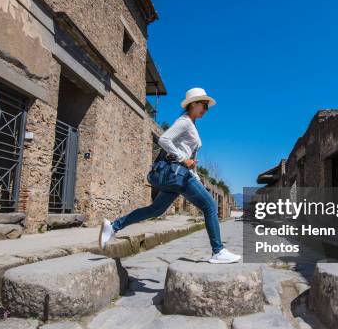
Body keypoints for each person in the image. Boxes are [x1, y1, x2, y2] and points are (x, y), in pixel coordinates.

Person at [98, 87, 241, 264]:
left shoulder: (192, 123)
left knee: (155, 210)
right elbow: (163, 139)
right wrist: (182, 159)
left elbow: (189, 156)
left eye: (207, 106)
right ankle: (218, 251)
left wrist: (194, 173)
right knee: (210, 206)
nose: (206, 109)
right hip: (179, 175)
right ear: (193, 104)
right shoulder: (185, 121)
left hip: (181, 176)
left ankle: (113, 227)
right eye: (204, 105)